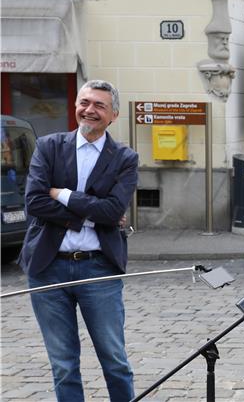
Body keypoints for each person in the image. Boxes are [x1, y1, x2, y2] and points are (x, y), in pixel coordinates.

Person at [19, 80, 139, 401]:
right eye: (84, 102)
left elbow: (115, 208)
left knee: (114, 360)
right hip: (47, 269)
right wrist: (90, 214)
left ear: (113, 115)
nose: (90, 110)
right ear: (75, 106)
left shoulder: (125, 158)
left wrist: (63, 194)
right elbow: (34, 202)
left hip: (98, 269)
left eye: (99, 105)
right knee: (63, 364)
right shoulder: (49, 146)